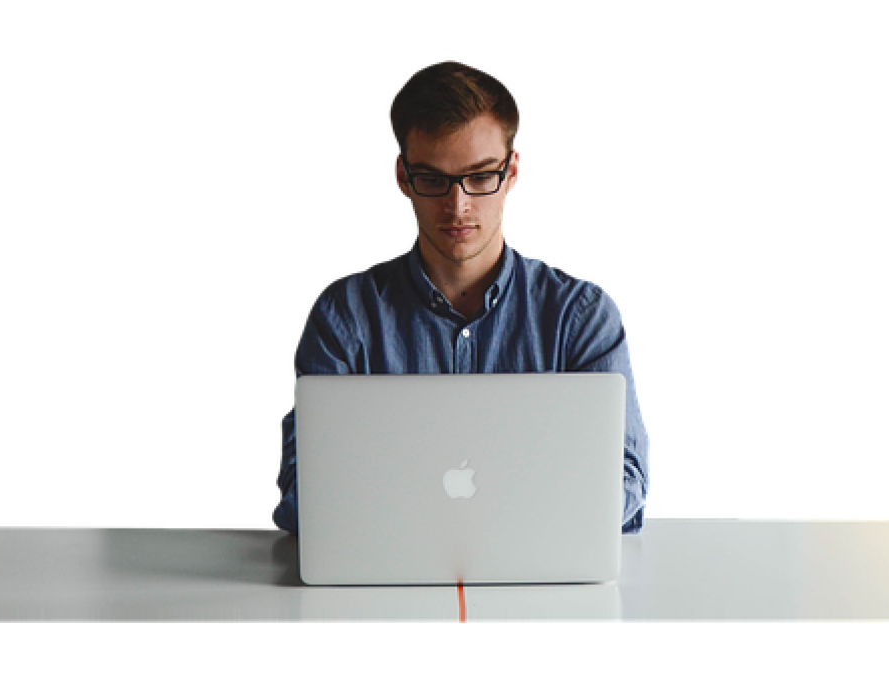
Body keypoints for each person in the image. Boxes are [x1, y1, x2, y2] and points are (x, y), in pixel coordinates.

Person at [274, 60, 650, 535]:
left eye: (481, 176)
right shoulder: (343, 317)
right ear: (401, 177)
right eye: (433, 179)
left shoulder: (581, 317)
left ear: (513, 172)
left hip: (539, 570)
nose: (458, 206)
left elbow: (625, 481)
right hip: (387, 572)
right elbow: (303, 491)